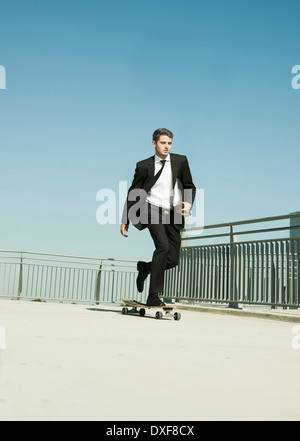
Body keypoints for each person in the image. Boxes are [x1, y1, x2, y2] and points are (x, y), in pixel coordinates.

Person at [120, 128, 196, 306]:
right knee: (162, 247)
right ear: (154, 143)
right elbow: (133, 192)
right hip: (151, 209)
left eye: (169, 143)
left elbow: (189, 185)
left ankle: (145, 268)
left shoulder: (180, 161)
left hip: (173, 212)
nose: (166, 147)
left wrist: (189, 202)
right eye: (163, 143)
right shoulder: (143, 165)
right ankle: (153, 295)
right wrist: (125, 219)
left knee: (173, 259)